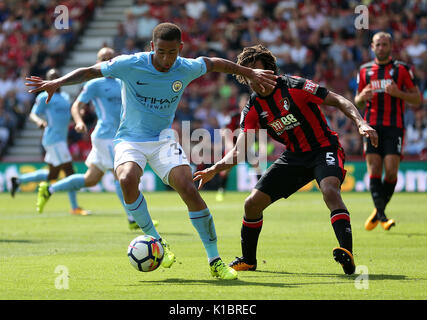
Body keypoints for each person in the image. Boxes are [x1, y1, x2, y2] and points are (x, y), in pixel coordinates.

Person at [25, 23, 277, 280]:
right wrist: (58, 81)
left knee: (188, 187)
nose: (167, 59)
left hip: (162, 139)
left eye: (172, 52)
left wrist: (250, 73)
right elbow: (90, 71)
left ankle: (215, 260)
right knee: (126, 179)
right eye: (162, 52)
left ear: (180, 49)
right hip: (130, 139)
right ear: (152, 47)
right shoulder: (130, 64)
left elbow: (215, 63)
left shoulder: (186, 67)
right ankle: (157, 241)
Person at [194, 44, 378, 275]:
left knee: (330, 190)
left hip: (323, 149)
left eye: (259, 72)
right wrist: (215, 168)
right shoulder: (252, 107)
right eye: (249, 75)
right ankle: (248, 260)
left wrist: (361, 122)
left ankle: (346, 253)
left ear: (271, 71)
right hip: (294, 157)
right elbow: (240, 151)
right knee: (252, 203)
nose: (255, 79)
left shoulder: (296, 86)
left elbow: (338, 100)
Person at [35, 47, 153, 230]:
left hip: (117, 135)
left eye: (110, 58)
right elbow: (77, 105)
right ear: (98, 61)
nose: (107, 60)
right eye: (103, 58)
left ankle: (49, 189)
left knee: (90, 179)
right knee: (121, 175)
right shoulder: (94, 83)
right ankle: (133, 218)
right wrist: (79, 121)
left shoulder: (122, 81)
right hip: (105, 136)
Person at [355, 32, 421, 231]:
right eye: (378, 44)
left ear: (391, 46)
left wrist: (398, 93)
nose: (381, 47)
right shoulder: (364, 70)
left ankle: (378, 210)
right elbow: (357, 100)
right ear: (372, 47)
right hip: (372, 126)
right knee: (374, 169)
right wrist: (362, 97)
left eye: (385, 44)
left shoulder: (402, 69)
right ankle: (383, 216)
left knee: (391, 172)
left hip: (394, 127)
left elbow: (417, 99)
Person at [10, 68, 88, 215]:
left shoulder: (65, 97)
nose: (54, 79)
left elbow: (66, 116)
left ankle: (19, 180)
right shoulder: (44, 96)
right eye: (51, 77)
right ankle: (74, 207)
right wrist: (39, 121)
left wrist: (78, 116)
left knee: (52, 175)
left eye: (57, 76)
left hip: (61, 140)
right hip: (53, 139)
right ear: (48, 80)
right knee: (69, 172)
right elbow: (33, 114)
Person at [215, 93, 263, 202]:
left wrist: (260, 143)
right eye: (244, 102)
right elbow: (224, 131)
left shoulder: (253, 116)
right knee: (226, 169)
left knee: (256, 165)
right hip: (233, 147)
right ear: (239, 103)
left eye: (248, 102)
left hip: (246, 145)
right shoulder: (233, 116)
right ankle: (221, 190)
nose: (246, 104)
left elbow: (257, 131)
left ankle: (261, 190)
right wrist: (229, 145)